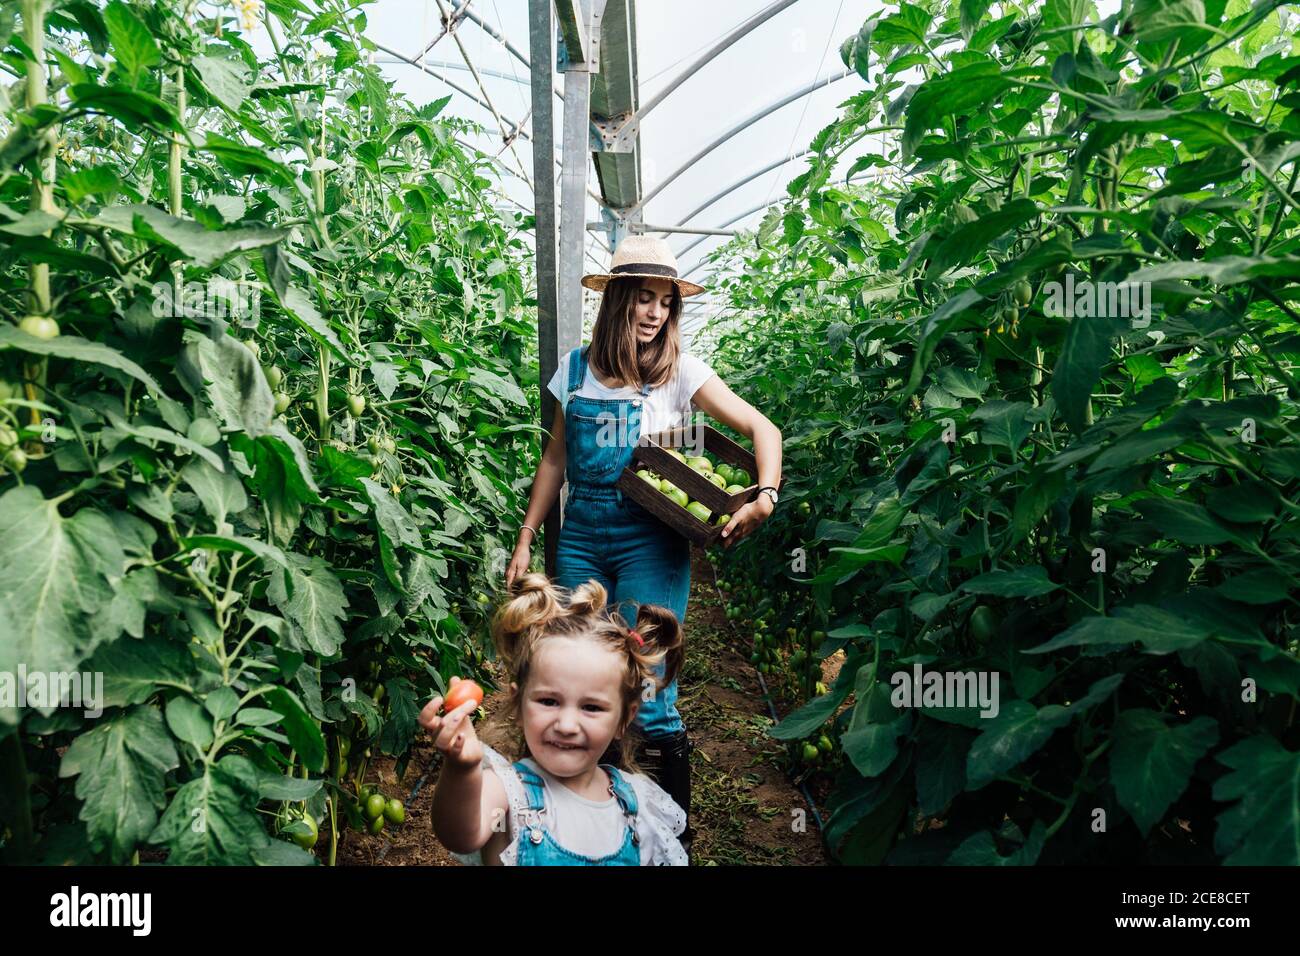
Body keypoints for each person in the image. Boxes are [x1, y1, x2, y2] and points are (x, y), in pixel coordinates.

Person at [504, 235, 784, 852]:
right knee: (574, 675)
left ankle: (664, 843)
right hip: (579, 538)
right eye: (645, 297)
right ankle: (563, 832)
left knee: (648, 690)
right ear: (619, 300)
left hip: (649, 541)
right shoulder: (575, 370)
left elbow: (762, 427)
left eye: (666, 301)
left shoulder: (679, 374)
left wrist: (764, 493)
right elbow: (555, 457)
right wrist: (527, 537)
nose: (656, 312)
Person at [420, 573, 689, 865]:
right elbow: (461, 834)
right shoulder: (508, 794)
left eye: (592, 708)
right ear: (519, 704)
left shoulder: (638, 807)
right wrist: (462, 769)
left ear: (625, 718)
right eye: (549, 701)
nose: (566, 725)